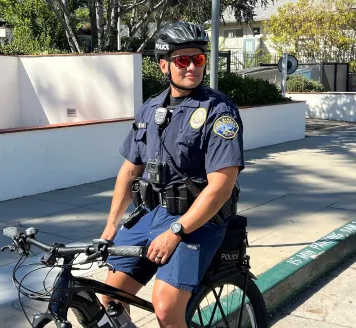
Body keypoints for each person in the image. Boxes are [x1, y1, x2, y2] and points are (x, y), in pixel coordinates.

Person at [99, 21, 245, 328]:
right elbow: (130, 168)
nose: (192, 67)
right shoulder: (150, 109)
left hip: (198, 221)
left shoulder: (218, 111)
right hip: (152, 213)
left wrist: (177, 231)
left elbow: (221, 185)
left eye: (199, 59)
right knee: (108, 297)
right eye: (182, 60)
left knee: (165, 308)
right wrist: (112, 223)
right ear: (164, 64)